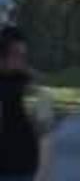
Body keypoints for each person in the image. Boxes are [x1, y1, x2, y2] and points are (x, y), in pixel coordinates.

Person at [0, 25, 39, 179]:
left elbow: (42, 128)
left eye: (24, 55)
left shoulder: (26, 81)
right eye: (16, 54)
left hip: (25, 168)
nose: (21, 60)